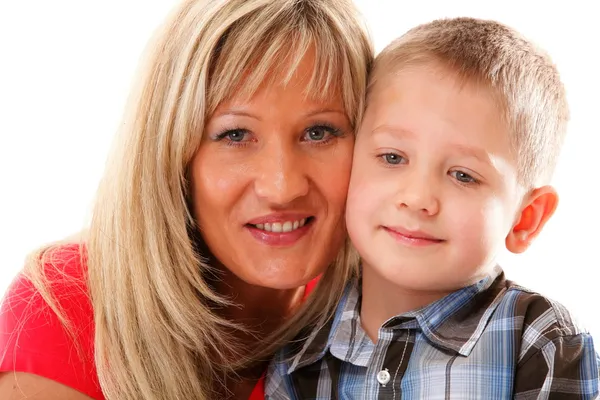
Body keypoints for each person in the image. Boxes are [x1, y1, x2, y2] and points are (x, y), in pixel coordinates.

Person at [0, 0, 373, 399]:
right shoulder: (71, 306)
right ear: (171, 153)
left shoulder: (391, 310)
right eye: (234, 135)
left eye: (319, 132)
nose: (281, 187)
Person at [266, 17, 600, 399]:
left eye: (463, 175)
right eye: (392, 157)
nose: (418, 198)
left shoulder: (542, 343)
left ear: (527, 218)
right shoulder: (300, 352)